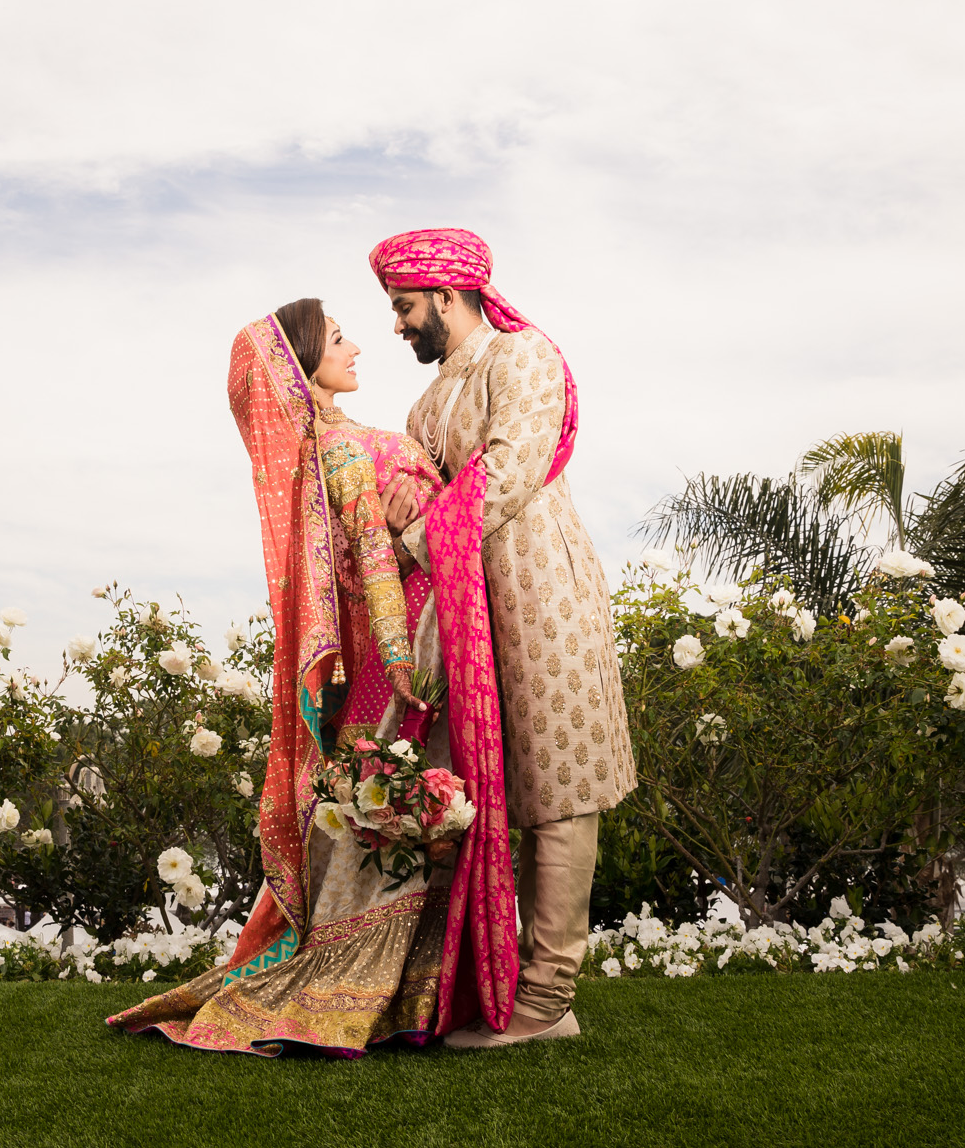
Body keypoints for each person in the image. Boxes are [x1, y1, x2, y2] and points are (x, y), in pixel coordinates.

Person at [106, 299, 475, 1055]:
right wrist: (403, 666)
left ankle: (414, 993)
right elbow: (373, 562)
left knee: (410, 803)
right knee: (407, 800)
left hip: (425, 621)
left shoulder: (329, 451)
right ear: (304, 367)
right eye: (339, 339)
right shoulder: (339, 450)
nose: (357, 347)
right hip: (413, 632)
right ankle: (375, 994)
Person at [370, 227, 637, 1049]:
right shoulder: (424, 402)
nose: (397, 325)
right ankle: (469, 981)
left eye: (405, 307)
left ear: (448, 296)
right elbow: (409, 490)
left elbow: (508, 466)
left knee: (558, 782)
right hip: (465, 611)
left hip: (540, 584)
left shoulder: (521, 357)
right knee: (471, 792)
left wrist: (413, 543)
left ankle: (548, 999)